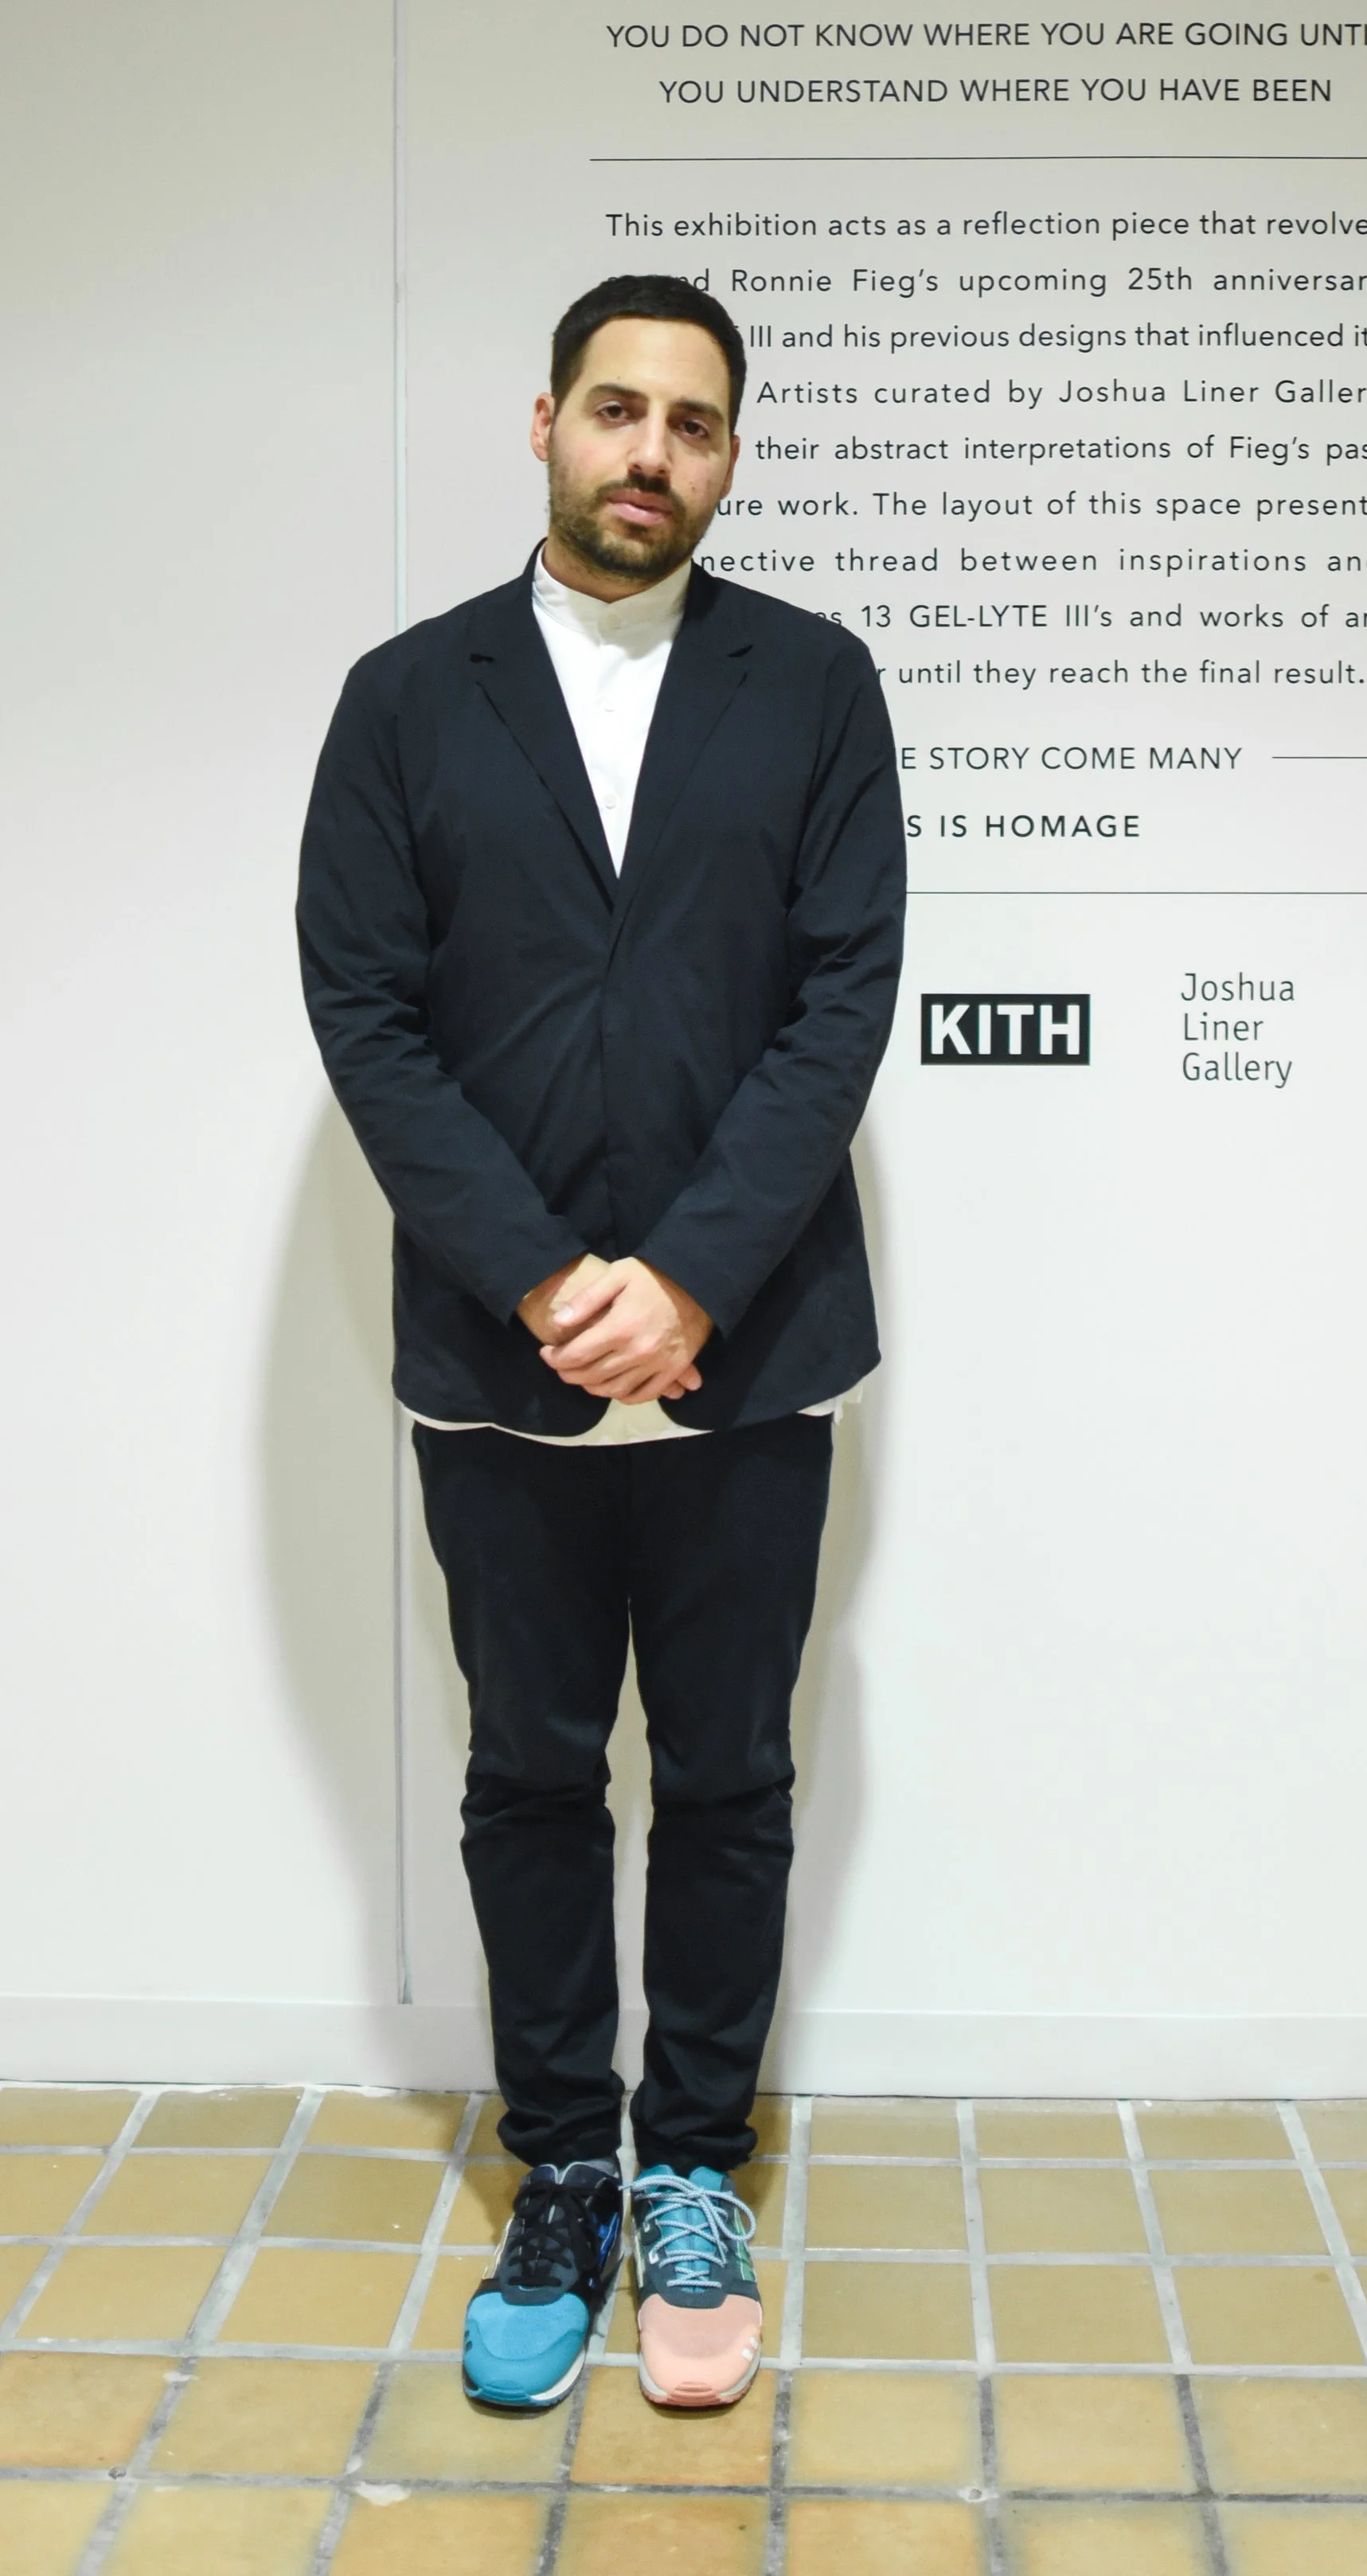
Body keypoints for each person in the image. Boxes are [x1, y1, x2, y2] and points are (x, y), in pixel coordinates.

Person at [297, 275, 904, 2413]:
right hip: (503, 1357)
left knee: (731, 1775)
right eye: (619, 409)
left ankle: (692, 2171)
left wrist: (696, 1278)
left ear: (729, 457)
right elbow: (366, 1015)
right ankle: (563, 2162)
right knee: (531, 1774)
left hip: (753, 1352)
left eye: (696, 423)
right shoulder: (405, 699)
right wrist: (547, 1278)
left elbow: (843, 998)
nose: (653, 451)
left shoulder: (814, 685)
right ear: (544, 420)